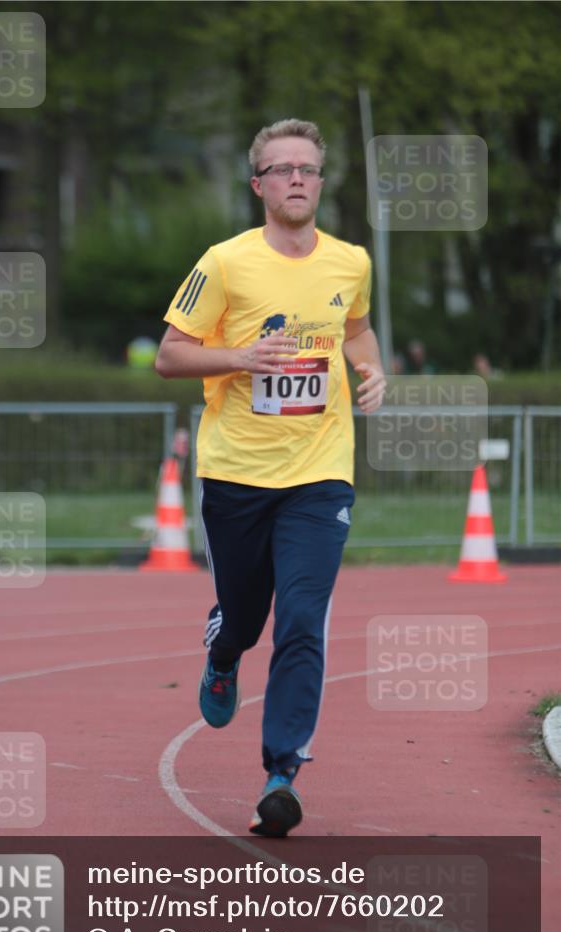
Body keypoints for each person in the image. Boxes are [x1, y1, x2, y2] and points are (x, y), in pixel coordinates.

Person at [155, 119, 386, 837]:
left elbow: (353, 329)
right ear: (257, 184)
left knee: (302, 621)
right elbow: (169, 354)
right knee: (249, 617)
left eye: (307, 168)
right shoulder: (225, 263)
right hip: (235, 474)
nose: (295, 178)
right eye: (280, 168)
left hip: (320, 474)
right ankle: (223, 650)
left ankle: (281, 772)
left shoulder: (350, 261)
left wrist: (372, 369)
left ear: (320, 181)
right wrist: (242, 358)